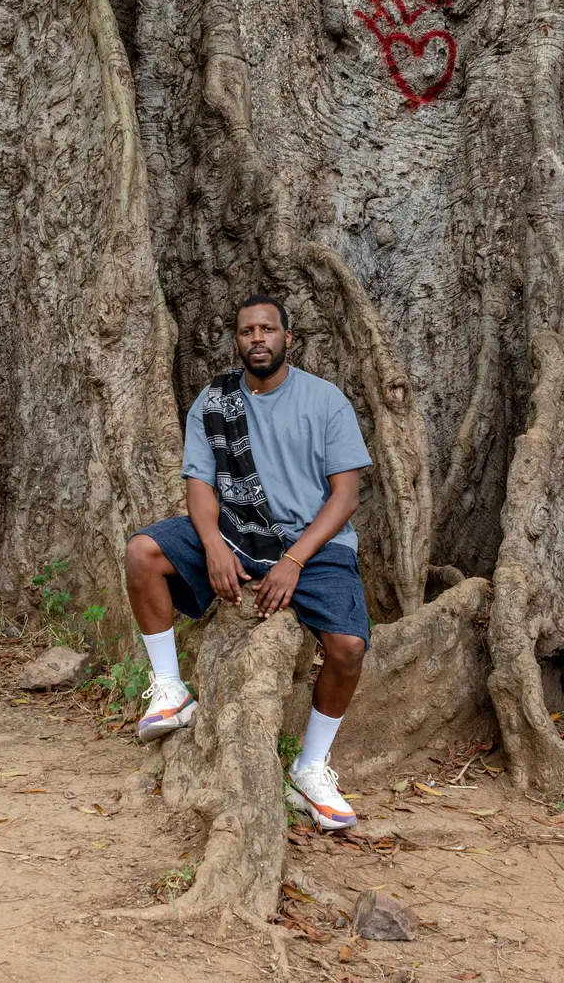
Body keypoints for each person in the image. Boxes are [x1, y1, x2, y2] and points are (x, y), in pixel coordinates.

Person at [124, 293, 373, 830]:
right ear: (237, 341)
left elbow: (346, 495)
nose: (257, 339)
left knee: (349, 646)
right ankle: (170, 689)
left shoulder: (326, 401)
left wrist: (293, 561)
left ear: (288, 337)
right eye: (246, 332)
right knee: (143, 551)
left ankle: (309, 769)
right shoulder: (215, 403)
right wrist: (212, 544)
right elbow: (199, 482)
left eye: (267, 330)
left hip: (313, 543)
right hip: (236, 532)